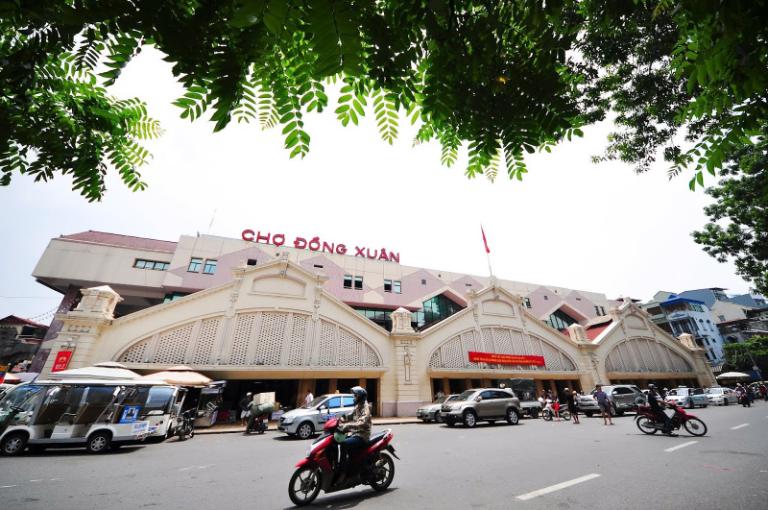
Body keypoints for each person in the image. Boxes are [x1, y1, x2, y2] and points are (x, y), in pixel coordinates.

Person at [336, 386, 372, 482]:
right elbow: (350, 416)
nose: (354, 398)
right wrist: (340, 419)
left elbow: (361, 423)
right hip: (355, 434)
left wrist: (347, 426)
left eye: (355, 396)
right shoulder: (358, 406)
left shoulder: (365, 408)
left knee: (343, 444)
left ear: (360, 397)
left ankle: (342, 472)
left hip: (362, 436)